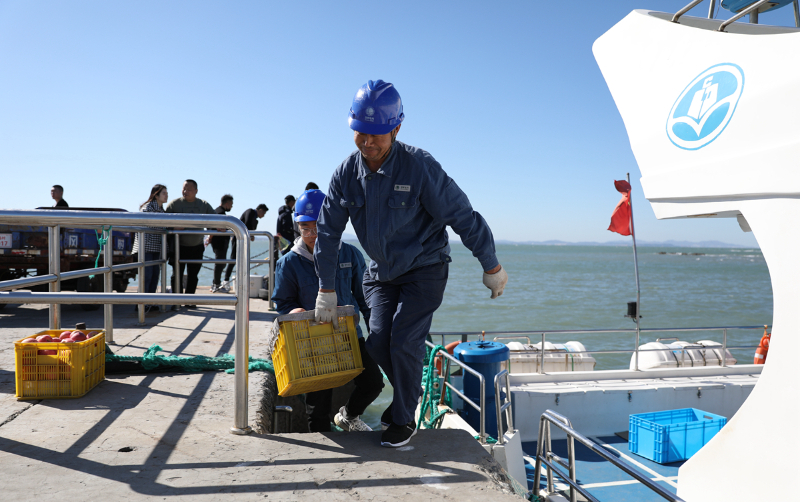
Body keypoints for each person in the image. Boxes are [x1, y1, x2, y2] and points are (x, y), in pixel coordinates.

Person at [314, 80, 508, 448]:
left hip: (425, 269)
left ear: (396, 129)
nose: (367, 142)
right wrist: (326, 288)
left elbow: (462, 215)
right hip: (381, 273)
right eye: (360, 132)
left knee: (404, 340)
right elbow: (327, 233)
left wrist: (492, 266)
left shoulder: (419, 167)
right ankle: (410, 392)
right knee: (377, 343)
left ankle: (402, 419)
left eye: (376, 134)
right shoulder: (345, 175)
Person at [272, 189, 383, 433]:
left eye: (318, 228)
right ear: (298, 227)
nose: (312, 235)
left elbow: (365, 298)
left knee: (373, 383)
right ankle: (321, 448)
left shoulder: (350, 254)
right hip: (312, 343)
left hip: (349, 336)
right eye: (306, 229)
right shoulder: (288, 263)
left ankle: (348, 415)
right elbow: (282, 302)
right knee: (317, 406)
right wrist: (294, 310)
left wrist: (376, 331)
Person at [165, 179, 216, 309]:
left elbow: (215, 219)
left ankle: (189, 300)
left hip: (196, 246)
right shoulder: (174, 205)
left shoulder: (203, 205)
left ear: (196, 191)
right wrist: (174, 227)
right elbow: (164, 222)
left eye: (189, 189)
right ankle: (176, 301)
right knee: (176, 275)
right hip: (178, 246)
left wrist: (219, 228)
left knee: (193, 275)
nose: (185, 191)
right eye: (184, 188)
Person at [132, 184, 168, 312]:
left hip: (156, 247)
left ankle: (150, 302)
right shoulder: (147, 208)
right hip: (145, 247)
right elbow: (148, 224)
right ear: (156, 195)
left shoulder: (161, 209)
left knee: (154, 276)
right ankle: (141, 303)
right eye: (164, 193)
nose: (166, 195)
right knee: (146, 276)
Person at [228, 204, 267, 280]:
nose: (263, 215)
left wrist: (251, 235)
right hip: (238, 238)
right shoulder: (250, 211)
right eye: (264, 213)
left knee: (243, 258)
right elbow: (247, 223)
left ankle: (241, 278)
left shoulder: (255, 218)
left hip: (243, 239)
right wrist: (251, 235)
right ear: (260, 210)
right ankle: (226, 279)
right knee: (233, 258)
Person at [211, 194, 234, 293]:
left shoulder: (216, 211)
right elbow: (212, 227)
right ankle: (216, 285)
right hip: (220, 243)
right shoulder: (220, 213)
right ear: (227, 203)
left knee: (221, 263)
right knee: (220, 263)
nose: (231, 207)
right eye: (231, 204)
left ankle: (215, 284)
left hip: (218, 242)